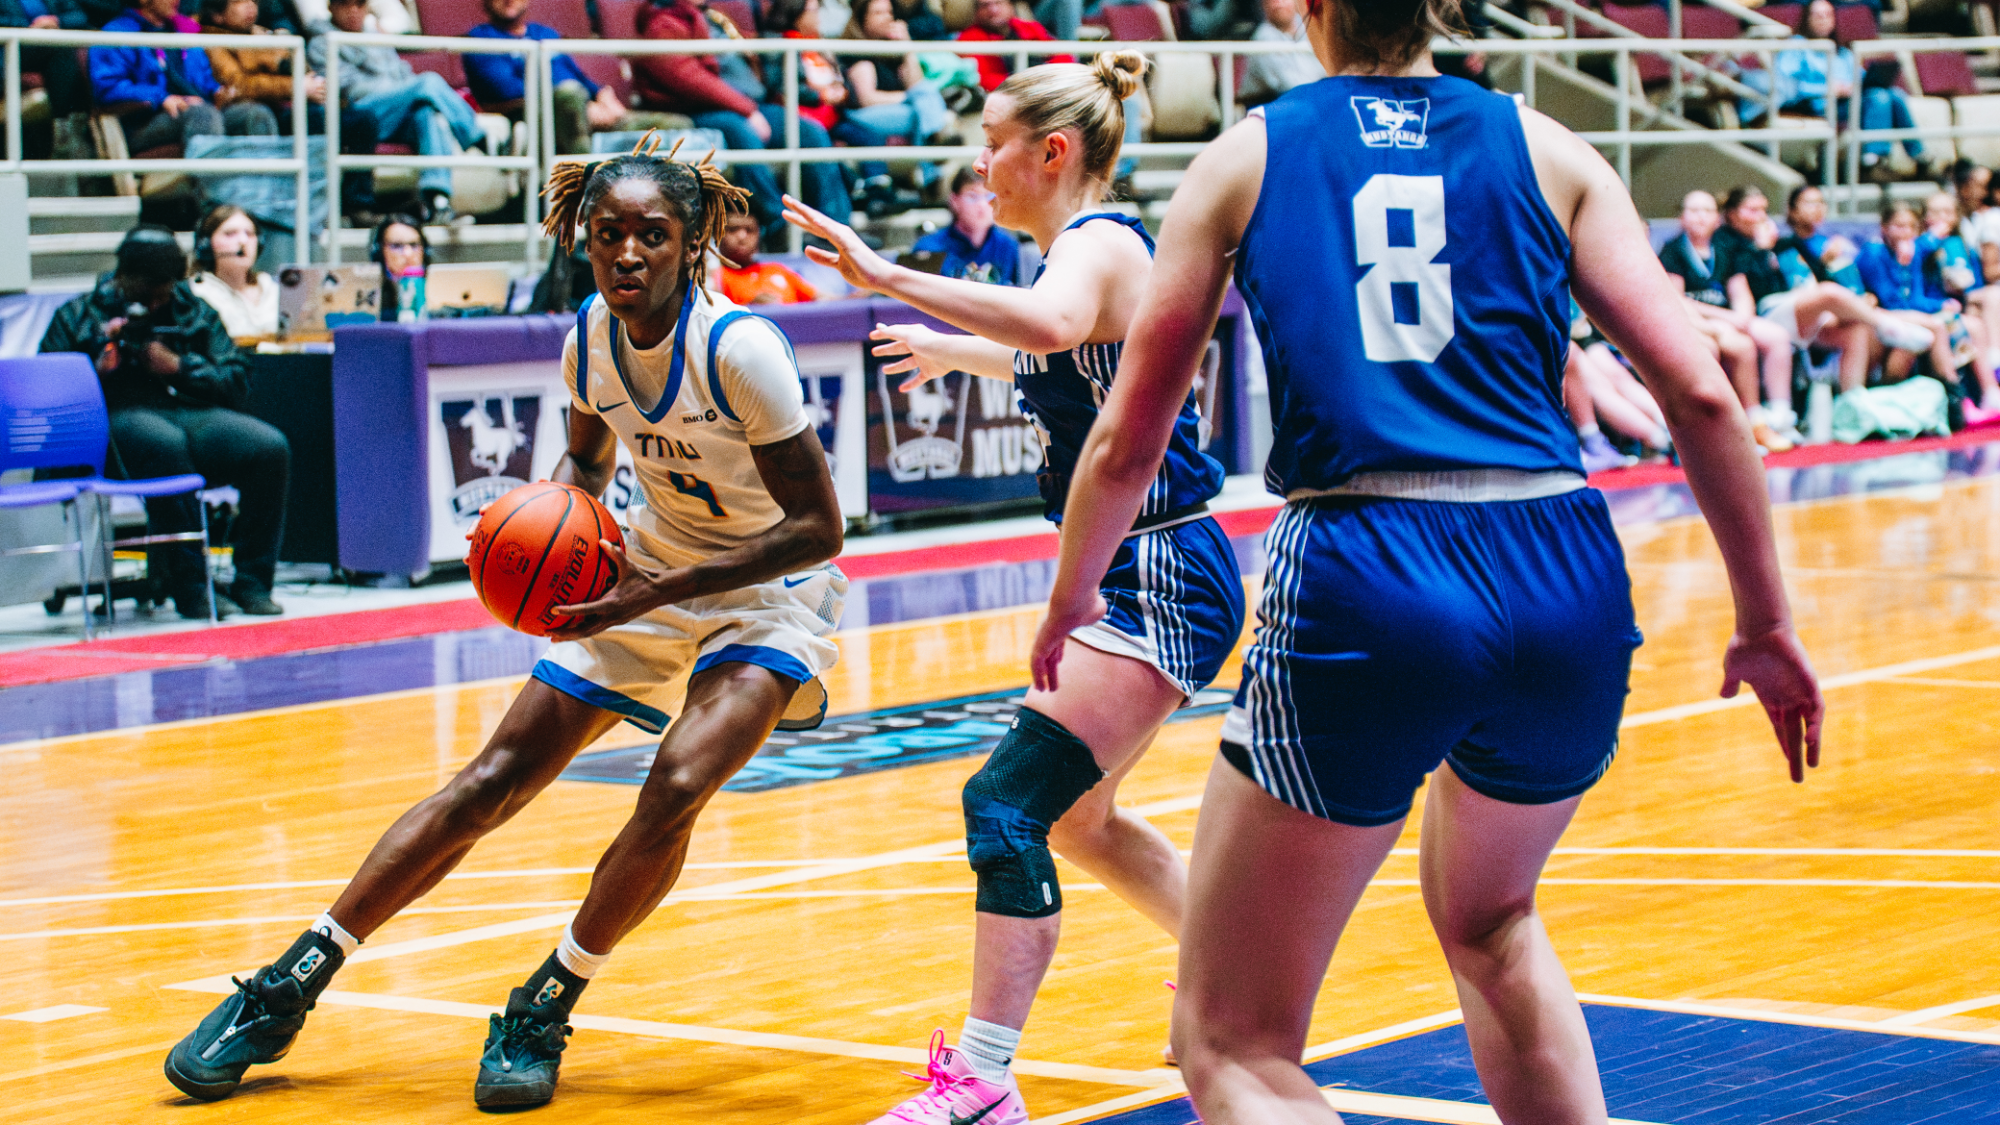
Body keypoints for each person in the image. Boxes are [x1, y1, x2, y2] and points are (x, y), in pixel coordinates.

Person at [1035, 1, 1825, 1121]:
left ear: (1310, 8)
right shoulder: (1548, 146)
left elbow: (1129, 436)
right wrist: (1762, 621)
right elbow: (1698, 393)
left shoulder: (1247, 153)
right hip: (1560, 561)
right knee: (1492, 922)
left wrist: (1071, 594)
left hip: (1369, 561)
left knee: (1231, 1040)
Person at [163, 137, 849, 1110]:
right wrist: (570, 547)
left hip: (765, 591)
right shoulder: (589, 337)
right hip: (643, 570)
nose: (625, 255)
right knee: (491, 779)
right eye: (606, 234)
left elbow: (817, 527)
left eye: (651, 236)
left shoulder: (739, 349)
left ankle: (545, 1001)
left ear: (690, 243)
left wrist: (646, 590)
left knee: (679, 782)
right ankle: (287, 984)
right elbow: (581, 466)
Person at [787, 51, 1246, 1125]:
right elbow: (1057, 352)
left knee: (1003, 804)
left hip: (1159, 567)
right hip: (1156, 562)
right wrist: (954, 353)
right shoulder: (1076, 257)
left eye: (991, 142)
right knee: (1082, 824)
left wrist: (882, 274)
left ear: (1051, 151)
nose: (979, 164)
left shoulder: (1097, 246)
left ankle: (984, 1082)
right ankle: (1235, 991)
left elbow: (1049, 327)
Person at [40, 226, 291, 619]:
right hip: (109, 422)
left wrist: (178, 366)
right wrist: (97, 370)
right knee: (162, 442)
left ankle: (253, 583)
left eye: (163, 292)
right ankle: (191, 587)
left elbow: (235, 380)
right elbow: (47, 396)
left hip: (187, 412)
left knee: (268, 446)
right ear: (125, 280)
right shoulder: (78, 314)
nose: (156, 302)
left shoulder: (194, 311)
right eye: (147, 293)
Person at [1716, 185, 1933, 446]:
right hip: (1768, 311)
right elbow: (1754, 287)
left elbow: (1809, 278)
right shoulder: (1727, 243)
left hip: (1797, 310)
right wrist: (1762, 250)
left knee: (1855, 330)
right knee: (1829, 293)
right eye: (1753, 210)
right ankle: (1888, 325)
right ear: (1732, 214)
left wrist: (1825, 265)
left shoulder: (1783, 244)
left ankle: (1853, 406)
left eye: (1763, 209)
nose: (1761, 216)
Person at [633, 0, 854, 236]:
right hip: (700, 109)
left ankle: (835, 228)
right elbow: (687, 77)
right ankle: (778, 224)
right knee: (742, 133)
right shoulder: (663, 24)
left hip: (748, 106)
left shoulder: (713, 17)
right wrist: (747, 110)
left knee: (809, 131)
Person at [310, 0, 488, 225]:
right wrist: (405, 92)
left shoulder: (375, 34)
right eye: (345, 3)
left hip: (395, 111)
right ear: (331, 7)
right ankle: (478, 137)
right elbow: (349, 88)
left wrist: (407, 92)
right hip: (361, 115)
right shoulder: (322, 42)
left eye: (360, 3)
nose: (354, 10)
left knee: (426, 114)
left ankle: (437, 202)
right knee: (427, 83)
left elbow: (402, 72)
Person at [1659, 190, 1795, 451]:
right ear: (1682, 218)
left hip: (1727, 318)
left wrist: (1742, 315)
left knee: (1776, 336)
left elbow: (1740, 291)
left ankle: (1776, 418)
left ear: (1717, 219)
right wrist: (1727, 318)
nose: (1701, 217)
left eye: (1707, 211)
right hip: (1698, 319)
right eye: (1694, 210)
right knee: (1742, 346)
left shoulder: (1725, 248)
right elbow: (1677, 301)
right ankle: (1742, 427)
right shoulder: (1673, 250)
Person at [463, 0, 689, 155]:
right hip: (538, 118)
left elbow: (581, 79)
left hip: (584, 111)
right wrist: (580, 104)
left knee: (679, 125)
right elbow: (505, 91)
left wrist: (603, 96)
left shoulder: (545, 34)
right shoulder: (480, 40)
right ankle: (583, 190)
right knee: (569, 95)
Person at [1859, 200, 2000, 414]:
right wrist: (1902, 265)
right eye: (1899, 226)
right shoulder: (1874, 252)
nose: (1905, 233)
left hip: (1909, 314)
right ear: (1884, 228)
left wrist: (1941, 304)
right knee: (1935, 326)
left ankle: (1989, 394)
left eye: (1910, 227)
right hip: (1881, 316)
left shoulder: (1913, 251)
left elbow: (1915, 297)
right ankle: (1957, 399)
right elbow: (1892, 299)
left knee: (1970, 325)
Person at [92, 0, 277, 153]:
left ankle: (261, 193)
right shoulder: (116, 34)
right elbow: (108, 88)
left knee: (254, 114)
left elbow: (204, 79)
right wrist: (162, 98)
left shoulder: (183, 31)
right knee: (203, 116)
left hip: (197, 109)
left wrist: (217, 92)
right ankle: (212, 195)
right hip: (144, 122)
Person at [1776, 0, 1924, 179]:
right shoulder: (1797, 46)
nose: (1823, 20)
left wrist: (1861, 84)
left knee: (1895, 95)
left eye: (1828, 15)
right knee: (1878, 97)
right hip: (1822, 104)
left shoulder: (1842, 52)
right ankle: (1873, 159)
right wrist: (1828, 88)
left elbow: (1861, 79)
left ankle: (1919, 155)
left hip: (1852, 101)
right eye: (1818, 15)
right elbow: (1782, 83)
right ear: (1807, 19)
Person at [199, 0, 327, 128]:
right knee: (258, 115)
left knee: (320, 110)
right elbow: (239, 84)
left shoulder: (261, 32)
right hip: (238, 108)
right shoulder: (211, 41)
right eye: (238, 2)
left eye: (253, 1)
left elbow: (300, 69)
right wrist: (295, 86)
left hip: (279, 103)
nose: (250, 5)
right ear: (216, 15)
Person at [842, 0, 955, 143]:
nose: (887, 17)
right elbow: (867, 99)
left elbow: (916, 83)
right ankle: (935, 147)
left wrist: (907, 47)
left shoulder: (890, 52)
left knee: (924, 103)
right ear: (862, 19)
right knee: (921, 113)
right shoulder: (857, 54)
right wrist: (910, 97)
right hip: (860, 116)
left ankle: (934, 145)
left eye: (889, 12)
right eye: (878, 13)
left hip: (894, 109)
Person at [910, 166, 1021, 285]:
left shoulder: (1007, 246)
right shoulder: (929, 249)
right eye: (972, 196)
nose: (982, 205)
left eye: (989, 196)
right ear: (954, 200)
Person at [189, 205, 280, 338]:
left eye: (249, 234)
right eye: (230, 234)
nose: (243, 241)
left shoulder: (274, 289)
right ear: (206, 244)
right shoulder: (196, 292)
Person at [0, 0, 91, 122]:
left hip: (55, 49)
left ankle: (72, 125)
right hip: (11, 51)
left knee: (85, 56)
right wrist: (33, 26)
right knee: (60, 50)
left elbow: (80, 16)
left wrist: (56, 21)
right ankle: (65, 124)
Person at [955, 0, 1073, 94]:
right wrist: (1025, 85)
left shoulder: (1029, 27)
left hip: (1045, 88)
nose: (993, 10)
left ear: (1010, 6)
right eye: (985, 6)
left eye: (998, 3)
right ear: (976, 12)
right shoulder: (968, 39)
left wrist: (1048, 79)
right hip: (1008, 97)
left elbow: (1063, 56)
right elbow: (983, 79)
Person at [718, 209, 818, 304]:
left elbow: (821, 299)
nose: (742, 237)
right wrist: (752, 308)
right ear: (718, 235)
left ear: (759, 234)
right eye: (733, 230)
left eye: (749, 230)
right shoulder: (716, 276)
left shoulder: (777, 269)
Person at [1237, 0, 1322, 108]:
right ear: (1264, 6)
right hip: (1270, 109)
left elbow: (1323, 72)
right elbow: (1291, 85)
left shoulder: (1311, 28)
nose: (1278, 3)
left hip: (1305, 103)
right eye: (1271, 0)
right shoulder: (1263, 37)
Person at [370, 212, 428, 321]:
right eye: (396, 246)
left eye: (414, 245)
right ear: (380, 252)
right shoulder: (371, 305)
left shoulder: (441, 294)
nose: (408, 253)